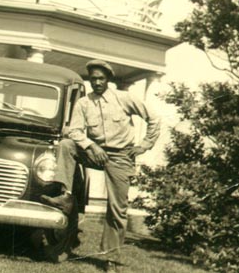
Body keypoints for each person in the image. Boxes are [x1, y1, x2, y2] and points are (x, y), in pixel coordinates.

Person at [41, 59, 160, 266]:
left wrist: (144, 145)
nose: (97, 82)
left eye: (101, 78)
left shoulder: (124, 98)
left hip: (120, 156)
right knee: (67, 145)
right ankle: (66, 196)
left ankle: (110, 259)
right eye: (93, 79)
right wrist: (91, 146)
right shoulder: (84, 103)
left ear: (108, 79)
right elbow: (74, 130)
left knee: (117, 209)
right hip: (94, 153)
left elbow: (154, 119)